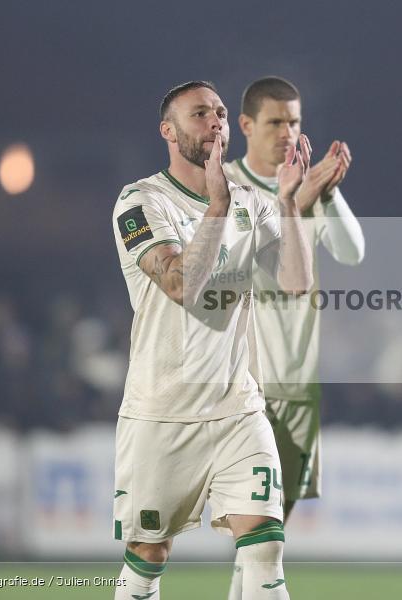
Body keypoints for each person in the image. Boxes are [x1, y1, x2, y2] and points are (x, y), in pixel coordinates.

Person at [110, 80, 313, 600]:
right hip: (162, 411)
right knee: (149, 558)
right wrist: (216, 208)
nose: (216, 122)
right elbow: (180, 284)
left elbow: (295, 284)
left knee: (265, 546)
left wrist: (288, 204)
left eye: (221, 112)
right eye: (200, 114)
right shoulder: (140, 202)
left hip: (236, 409)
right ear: (168, 131)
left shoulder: (251, 201)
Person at [222, 76, 364, 600]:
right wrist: (293, 203)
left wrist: (325, 192)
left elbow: (352, 251)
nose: (287, 132)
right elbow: (240, 268)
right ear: (246, 125)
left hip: (298, 386)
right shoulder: (227, 186)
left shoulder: (306, 187)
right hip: (244, 388)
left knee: (262, 544)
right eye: (276, 121)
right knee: (260, 541)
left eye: (295, 122)